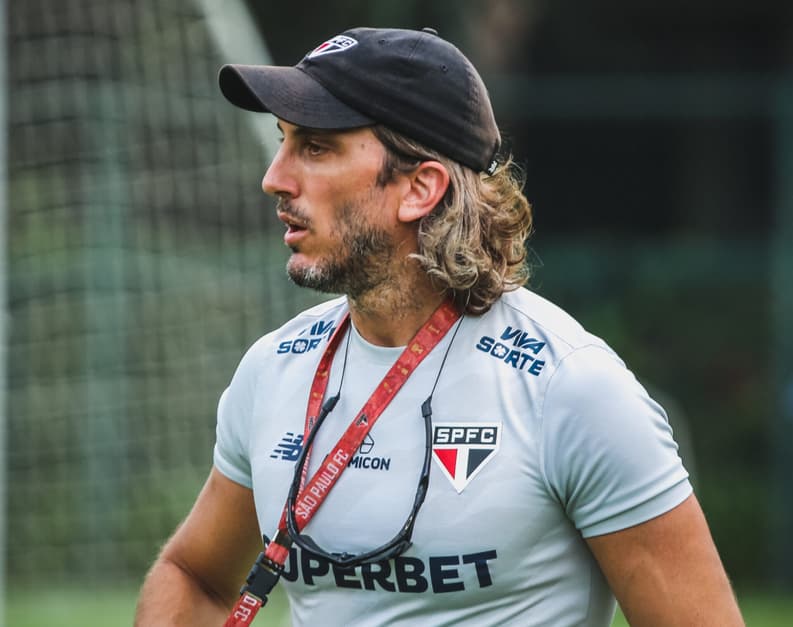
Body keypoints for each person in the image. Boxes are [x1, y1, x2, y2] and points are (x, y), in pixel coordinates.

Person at [134, 27, 744, 627]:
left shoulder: (571, 389)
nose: (275, 177)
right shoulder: (272, 371)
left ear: (420, 187)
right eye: (283, 140)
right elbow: (198, 576)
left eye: (316, 147)